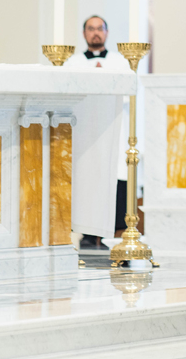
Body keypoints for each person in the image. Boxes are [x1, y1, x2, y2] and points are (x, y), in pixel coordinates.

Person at [65, 15, 131, 249]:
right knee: (85, 178)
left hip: (112, 127)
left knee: (114, 179)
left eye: (99, 29)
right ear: (84, 34)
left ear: (107, 32)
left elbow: (128, 93)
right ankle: (83, 233)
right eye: (91, 29)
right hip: (83, 131)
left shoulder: (121, 61)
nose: (95, 33)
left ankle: (108, 235)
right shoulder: (71, 63)